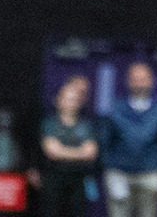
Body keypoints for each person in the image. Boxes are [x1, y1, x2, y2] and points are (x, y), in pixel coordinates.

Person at [101, 62, 157, 217]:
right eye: (135, 79)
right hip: (119, 174)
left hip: (151, 174)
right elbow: (105, 141)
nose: (139, 83)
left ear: (151, 80)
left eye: (143, 78)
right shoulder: (116, 108)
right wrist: (110, 168)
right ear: (128, 81)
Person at [39, 76, 97, 217]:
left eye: (75, 99)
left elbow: (91, 152)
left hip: (78, 181)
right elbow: (52, 152)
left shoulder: (86, 125)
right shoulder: (50, 124)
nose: (71, 102)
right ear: (58, 100)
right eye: (68, 98)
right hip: (54, 180)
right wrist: (79, 152)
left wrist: (63, 151)